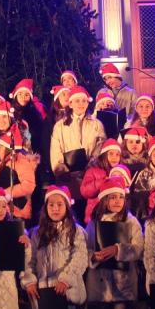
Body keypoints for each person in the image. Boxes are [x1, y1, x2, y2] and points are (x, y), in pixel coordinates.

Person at [21, 186, 88, 309]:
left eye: (60, 204)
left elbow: (80, 258)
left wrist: (65, 279)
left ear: (67, 207)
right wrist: (29, 281)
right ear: (46, 207)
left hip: (65, 291)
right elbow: (30, 260)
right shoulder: (36, 233)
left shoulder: (76, 232)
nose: (55, 208)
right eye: (51, 205)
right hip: (45, 292)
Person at [85, 177, 144, 309]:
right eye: (112, 197)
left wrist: (118, 250)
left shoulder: (131, 222)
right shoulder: (94, 224)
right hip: (102, 282)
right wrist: (94, 256)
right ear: (105, 200)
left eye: (120, 197)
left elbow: (139, 248)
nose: (117, 201)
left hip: (122, 282)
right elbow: (86, 248)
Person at [50, 86, 106, 219]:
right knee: (72, 213)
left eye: (84, 101)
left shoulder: (96, 124)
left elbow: (101, 145)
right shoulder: (60, 126)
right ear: (70, 104)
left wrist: (92, 164)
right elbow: (56, 150)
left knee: (89, 213)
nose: (81, 104)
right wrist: (62, 170)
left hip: (90, 177)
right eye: (77, 101)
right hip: (70, 177)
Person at [0, 128, 38, 223]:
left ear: (8, 149)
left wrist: (5, 193)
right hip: (5, 210)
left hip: (18, 212)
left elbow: (29, 185)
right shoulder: (1, 164)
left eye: (0, 147)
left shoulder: (20, 161)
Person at [81, 139, 122, 224]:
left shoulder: (120, 173)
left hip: (114, 216)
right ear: (104, 155)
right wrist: (102, 182)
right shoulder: (92, 171)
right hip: (95, 215)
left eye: (117, 154)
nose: (114, 157)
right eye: (111, 154)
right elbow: (85, 191)